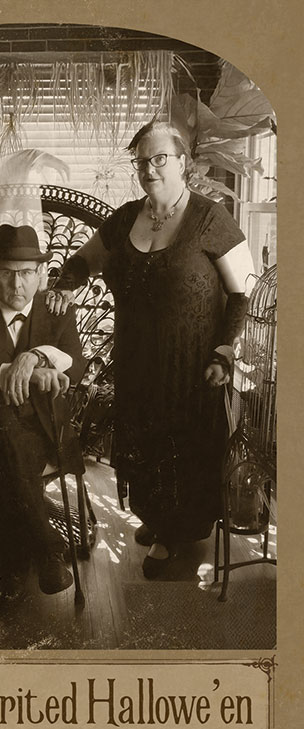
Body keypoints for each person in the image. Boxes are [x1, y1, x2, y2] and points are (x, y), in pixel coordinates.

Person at [46, 120, 254, 579]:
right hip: (137, 362)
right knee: (143, 445)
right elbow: (83, 260)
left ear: (183, 162)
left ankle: (173, 536)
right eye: (142, 161)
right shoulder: (124, 219)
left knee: (182, 448)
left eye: (160, 158)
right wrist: (65, 284)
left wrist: (224, 351)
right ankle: (159, 520)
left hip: (192, 366)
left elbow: (243, 292)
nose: (149, 168)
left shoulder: (210, 218)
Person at [0, 224, 87, 609]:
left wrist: (40, 357)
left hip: (46, 428)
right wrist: (9, 371)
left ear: (40, 274)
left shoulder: (55, 311)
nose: (17, 283)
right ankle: (49, 548)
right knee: (7, 442)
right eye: (7, 273)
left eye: (26, 272)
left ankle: (14, 570)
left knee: (12, 461)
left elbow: (77, 366)